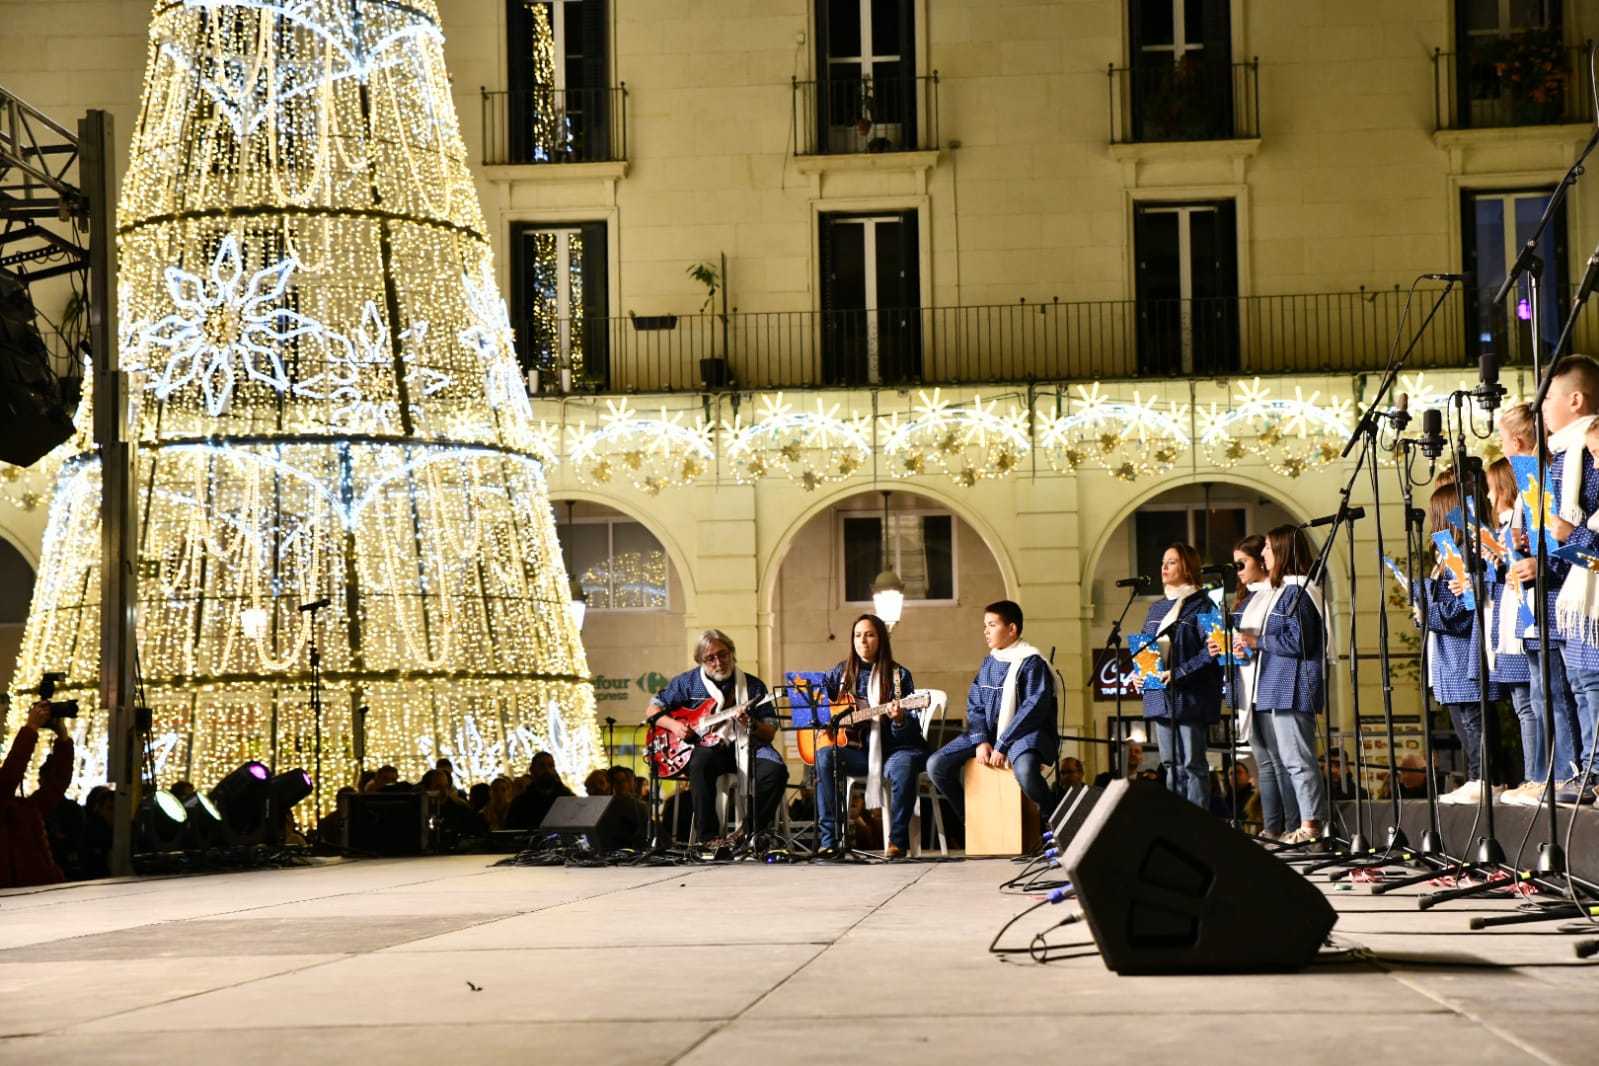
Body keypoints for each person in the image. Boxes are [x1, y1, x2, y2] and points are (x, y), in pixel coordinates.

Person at [1499, 400, 1583, 803]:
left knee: (1556, 692)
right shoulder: (1526, 483)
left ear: (1515, 440)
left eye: (1501, 439)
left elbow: (1562, 538)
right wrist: (1516, 544)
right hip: (1530, 603)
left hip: (1552, 598)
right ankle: (1543, 773)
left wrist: (1539, 560)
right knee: (1539, 694)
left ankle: (1567, 772)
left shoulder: (1549, 476)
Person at [643, 629, 789, 843]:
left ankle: (749, 832)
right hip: (710, 748)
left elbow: (769, 732)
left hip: (750, 746)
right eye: (710, 659)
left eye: (723, 654)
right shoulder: (687, 683)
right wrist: (675, 726)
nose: (718, 662)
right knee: (700, 764)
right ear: (700, 661)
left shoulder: (754, 685)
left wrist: (751, 724)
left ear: (732, 653)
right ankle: (709, 838)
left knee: (776, 771)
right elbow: (652, 711)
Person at [927, 600, 1060, 826]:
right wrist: (980, 741)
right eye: (985, 626)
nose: (986, 631)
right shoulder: (989, 662)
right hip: (987, 734)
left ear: (1012, 629)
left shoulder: (1032, 662)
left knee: (1026, 771)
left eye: (992, 625)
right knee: (936, 765)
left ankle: (1053, 823)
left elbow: (1034, 707)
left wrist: (1003, 742)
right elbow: (975, 704)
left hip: (1022, 736)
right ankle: (972, 821)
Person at [1234, 524, 1327, 847]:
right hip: (1276, 685)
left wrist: (1256, 640)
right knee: (1288, 760)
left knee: (1298, 761)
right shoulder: (1285, 592)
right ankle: (1300, 824)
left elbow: (1300, 639)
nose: (1263, 555)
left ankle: (1311, 825)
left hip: (1293, 685)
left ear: (1285, 553)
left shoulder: (1300, 591)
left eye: (1269, 550)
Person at [817, 613, 924, 858]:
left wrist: (899, 719)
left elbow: (912, 729)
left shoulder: (899, 676)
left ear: (881, 639)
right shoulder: (840, 674)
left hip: (892, 750)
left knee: (905, 765)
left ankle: (897, 842)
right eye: (857, 635)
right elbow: (815, 703)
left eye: (869, 635)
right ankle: (829, 841)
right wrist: (824, 723)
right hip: (857, 752)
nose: (862, 641)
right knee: (825, 756)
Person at [1417, 482, 1496, 803]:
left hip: (1463, 655)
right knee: (1464, 723)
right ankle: (1476, 777)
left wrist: (1426, 612)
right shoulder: (1445, 555)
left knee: (1474, 722)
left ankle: (1484, 780)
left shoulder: (1462, 554)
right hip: (1447, 658)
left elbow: (1464, 612)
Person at [1132, 543, 1223, 809]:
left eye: (1171, 562)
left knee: (1192, 763)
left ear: (1187, 567)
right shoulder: (1157, 609)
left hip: (1190, 695)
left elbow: (1215, 650)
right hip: (1159, 695)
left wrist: (1181, 672)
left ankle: (1196, 821)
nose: (1163, 567)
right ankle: (1176, 816)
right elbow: (1145, 646)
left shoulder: (1205, 604)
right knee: (1170, 763)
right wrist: (1140, 675)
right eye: (1163, 561)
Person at [1219, 534, 1298, 839]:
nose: (1238, 567)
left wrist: (1250, 645)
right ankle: (1272, 827)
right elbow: (1242, 644)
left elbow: (1277, 640)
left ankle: (1294, 826)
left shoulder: (1277, 595)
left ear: (1262, 562)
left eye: (1244, 561)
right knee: (1264, 762)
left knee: (1281, 761)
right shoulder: (1245, 599)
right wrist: (1226, 649)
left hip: (1269, 684)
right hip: (1246, 683)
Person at [1481, 454, 1542, 806]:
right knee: (1524, 704)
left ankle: (1536, 776)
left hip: (1523, 623)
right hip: (1509, 625)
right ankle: (1532, 775)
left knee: (1530, 705)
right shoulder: (1502, 531)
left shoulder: (1514, 528)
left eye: (1491, 489)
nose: (1489, 497)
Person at [1, 699, 75, 887]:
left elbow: (56, 785)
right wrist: (31, 728)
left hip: (43, 893)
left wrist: (63, 738)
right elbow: (9, 778)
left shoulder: (23, 809)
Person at [505, 751, 575, 830]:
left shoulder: (568, 800)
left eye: (550, 766)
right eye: (542, 766)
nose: (547, 770)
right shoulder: (520, 804)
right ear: (532, 770)